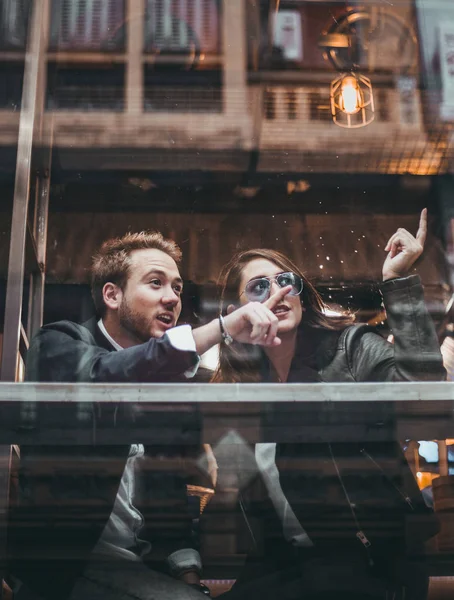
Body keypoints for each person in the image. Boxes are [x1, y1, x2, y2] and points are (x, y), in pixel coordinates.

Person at [9, 231, 290, 600]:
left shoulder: (167, 391)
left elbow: (168, 501)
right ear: (112, 295)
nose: (172, 297)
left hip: (141, 568)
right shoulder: (57, 344)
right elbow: (104, 377)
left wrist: (189, 578)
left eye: (176, 287)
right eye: (155, 283)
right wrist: (221, 329)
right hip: (66, 569)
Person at [210, 209, 446, 600]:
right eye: (258, 288)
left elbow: (425, 404)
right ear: (235, 314)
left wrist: (398, 281)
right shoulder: (243, 390)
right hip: (284, 564)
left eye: (286, 282)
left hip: (372, 559)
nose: (278, 292)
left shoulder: (350, 348)